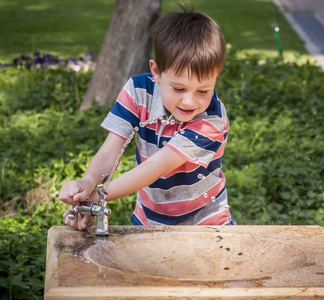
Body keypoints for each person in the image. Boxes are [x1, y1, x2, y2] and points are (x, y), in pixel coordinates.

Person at [59, 5, 235, 230]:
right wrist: (88, 182)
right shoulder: (138, 91)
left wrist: (93, 198)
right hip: (149, 219)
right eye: (179, 88)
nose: (190, 101)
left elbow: (156, 166)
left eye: (203, 90)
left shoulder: (212, 119)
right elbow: (111, 149)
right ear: (157, 72)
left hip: (207, 223)